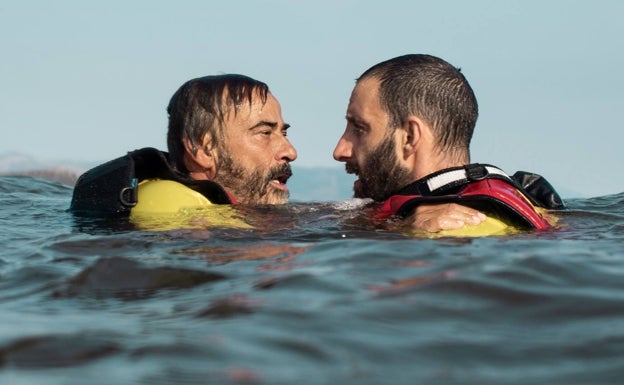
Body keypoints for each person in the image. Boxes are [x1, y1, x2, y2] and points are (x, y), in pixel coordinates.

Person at [333, 54, 564, 235]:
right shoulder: (411, 218)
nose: (339, 151)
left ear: (410, 137)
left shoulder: (454, 230)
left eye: (360, 129)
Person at [70, 74, 297, 221]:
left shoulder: (218, 212)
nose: (290, 151)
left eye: (283, 133)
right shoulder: (173, 207)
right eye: (265, 133)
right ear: (204, 149)